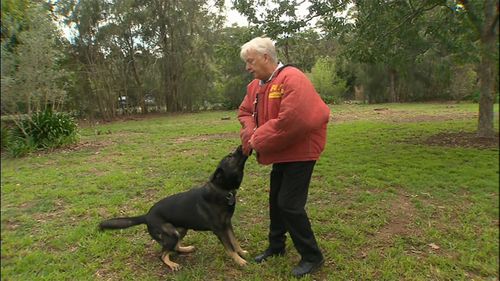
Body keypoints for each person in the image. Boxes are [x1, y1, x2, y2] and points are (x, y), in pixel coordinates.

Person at [237, 37, 330, 278]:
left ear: (266, 57)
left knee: (289, 203)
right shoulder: (256, 86)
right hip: (281, 150)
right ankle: (276, 246)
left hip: (301, 150)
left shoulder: (292, 78)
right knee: (276, 200)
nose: (247, 67)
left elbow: (295, 119)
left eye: (250, 61)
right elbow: (245, 112)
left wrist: (257, 138)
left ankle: (312, 256)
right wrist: (250, 132)